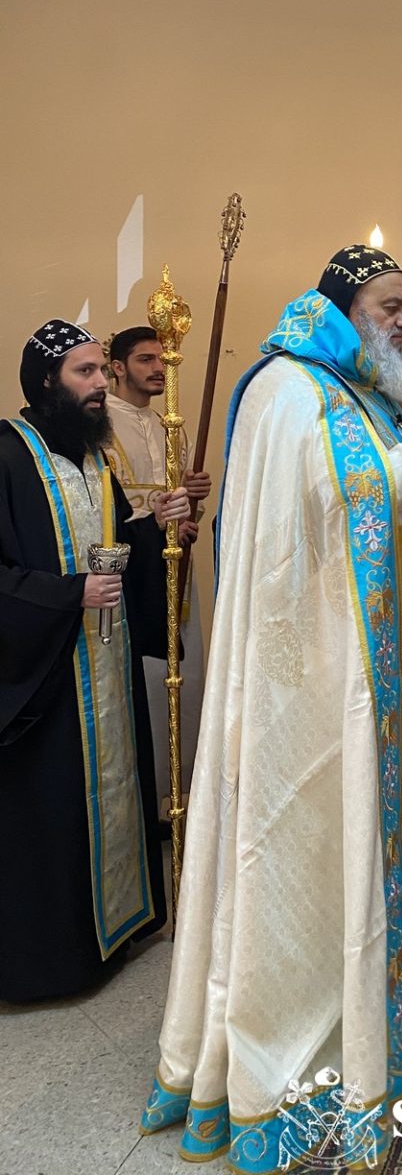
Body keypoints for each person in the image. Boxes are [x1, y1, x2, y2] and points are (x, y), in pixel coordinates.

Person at [142, 245, 402, 1167]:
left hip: (385, 674)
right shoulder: (291, 389)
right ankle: (325, 1031)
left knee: (397, 837)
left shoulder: (356, 390)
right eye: (392, 304)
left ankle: (397, 990)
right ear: (345, 306)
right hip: (317, 691)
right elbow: (354, 498)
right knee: (331, 850)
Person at [0, 321, 190, 1002]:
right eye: (85, 374)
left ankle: (118, 929)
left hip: (101, 664)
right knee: (52, 813)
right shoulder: (7, 456)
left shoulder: (92, 459)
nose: (100, 385)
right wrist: (66, 594)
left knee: (111, 788)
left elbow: (114, 550)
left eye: (100, 374)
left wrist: (155, 527)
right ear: (47, 381)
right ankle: (57, 960)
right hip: (46, 680)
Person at [107, 325, 211, 806]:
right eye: (146, 359)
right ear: (117, 367)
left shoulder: (173, 425)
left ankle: (180, 791)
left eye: (164, 361)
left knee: (180, 679)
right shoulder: (99, 422)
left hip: (173, 569)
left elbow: (181, 509)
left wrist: (192, 508)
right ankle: (142, 796)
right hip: (130, 574)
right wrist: (157, 519)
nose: (158, 370)